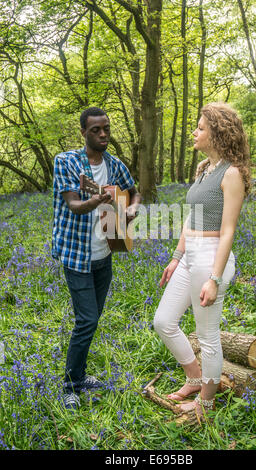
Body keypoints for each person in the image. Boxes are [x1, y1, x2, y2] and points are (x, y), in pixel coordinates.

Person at [153, 102, 250, 423]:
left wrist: (214, 277)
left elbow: (228, 231)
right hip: (190, 254)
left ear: (218, 134)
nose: (194, 132)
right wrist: (176, 257)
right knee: (164, 321)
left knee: (207, 335)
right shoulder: (203, 169)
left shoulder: (231, 173)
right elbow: (190, 219)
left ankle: (205, 404)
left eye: (200, 128)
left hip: (211, 258)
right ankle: (194, 378)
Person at [52, 107, 141, 411]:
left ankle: (79, 375)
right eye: (95, 130)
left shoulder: (114, 164)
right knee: (87, 320)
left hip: (105, 252)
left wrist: (131, 209)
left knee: (92, 320)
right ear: (83, 133)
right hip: (76, 254)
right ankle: (71, 386)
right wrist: (96, 200)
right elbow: (74, 204)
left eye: (106, 128)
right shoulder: (66, 162)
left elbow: (134, 192)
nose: (103, 135)